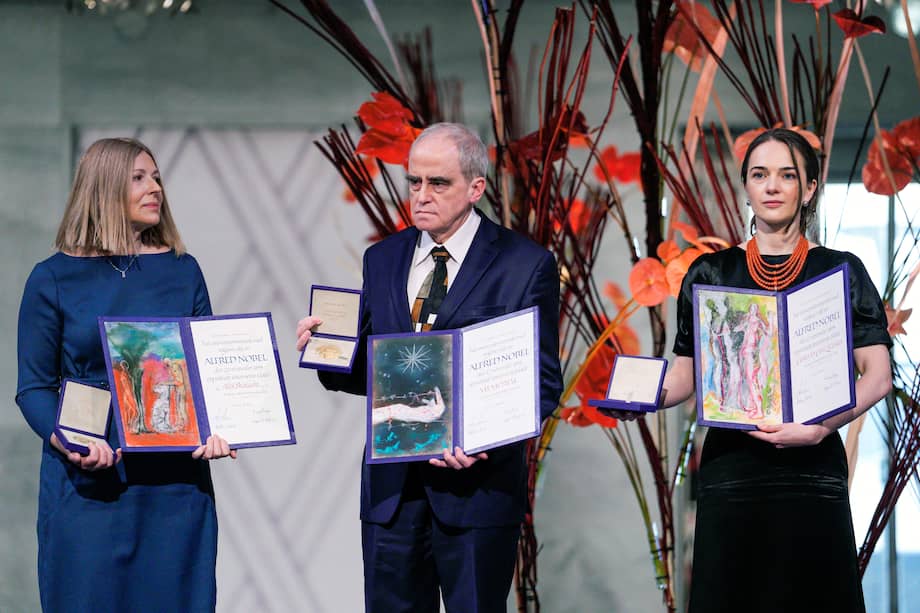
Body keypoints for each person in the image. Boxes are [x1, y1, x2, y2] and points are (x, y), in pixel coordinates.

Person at [614, 128, 891, 612]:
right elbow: (686, 374)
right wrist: (638, 393)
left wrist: (819, 427)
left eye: (787, 175)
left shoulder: (841, 269)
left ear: (809, 188)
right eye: (759, 174)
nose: (772, 186)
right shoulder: (711, 273)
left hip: (812, 471)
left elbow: (878, 374)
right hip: (734, 474)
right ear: (745, 185)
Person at [296, 122, 563, 613]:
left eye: (437, 183)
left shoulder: (525, 264)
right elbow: (383, 367)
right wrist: (328, 353)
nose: (421, 195)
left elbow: (542, 386)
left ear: (475, 188)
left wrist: (480, 442)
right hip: (392, 494)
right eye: (413, 181)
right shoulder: (384, 258)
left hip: (477, 491)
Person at [15, 137, 236, 612]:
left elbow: (207, 372)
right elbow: (33, 387)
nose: (154, 187)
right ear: (104, 187)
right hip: (88, 484)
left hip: (175, 488)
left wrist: (223, 427)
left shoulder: (183, 271)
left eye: (156, 177)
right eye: (139, 178)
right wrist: (69, 442)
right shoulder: (52, 278)